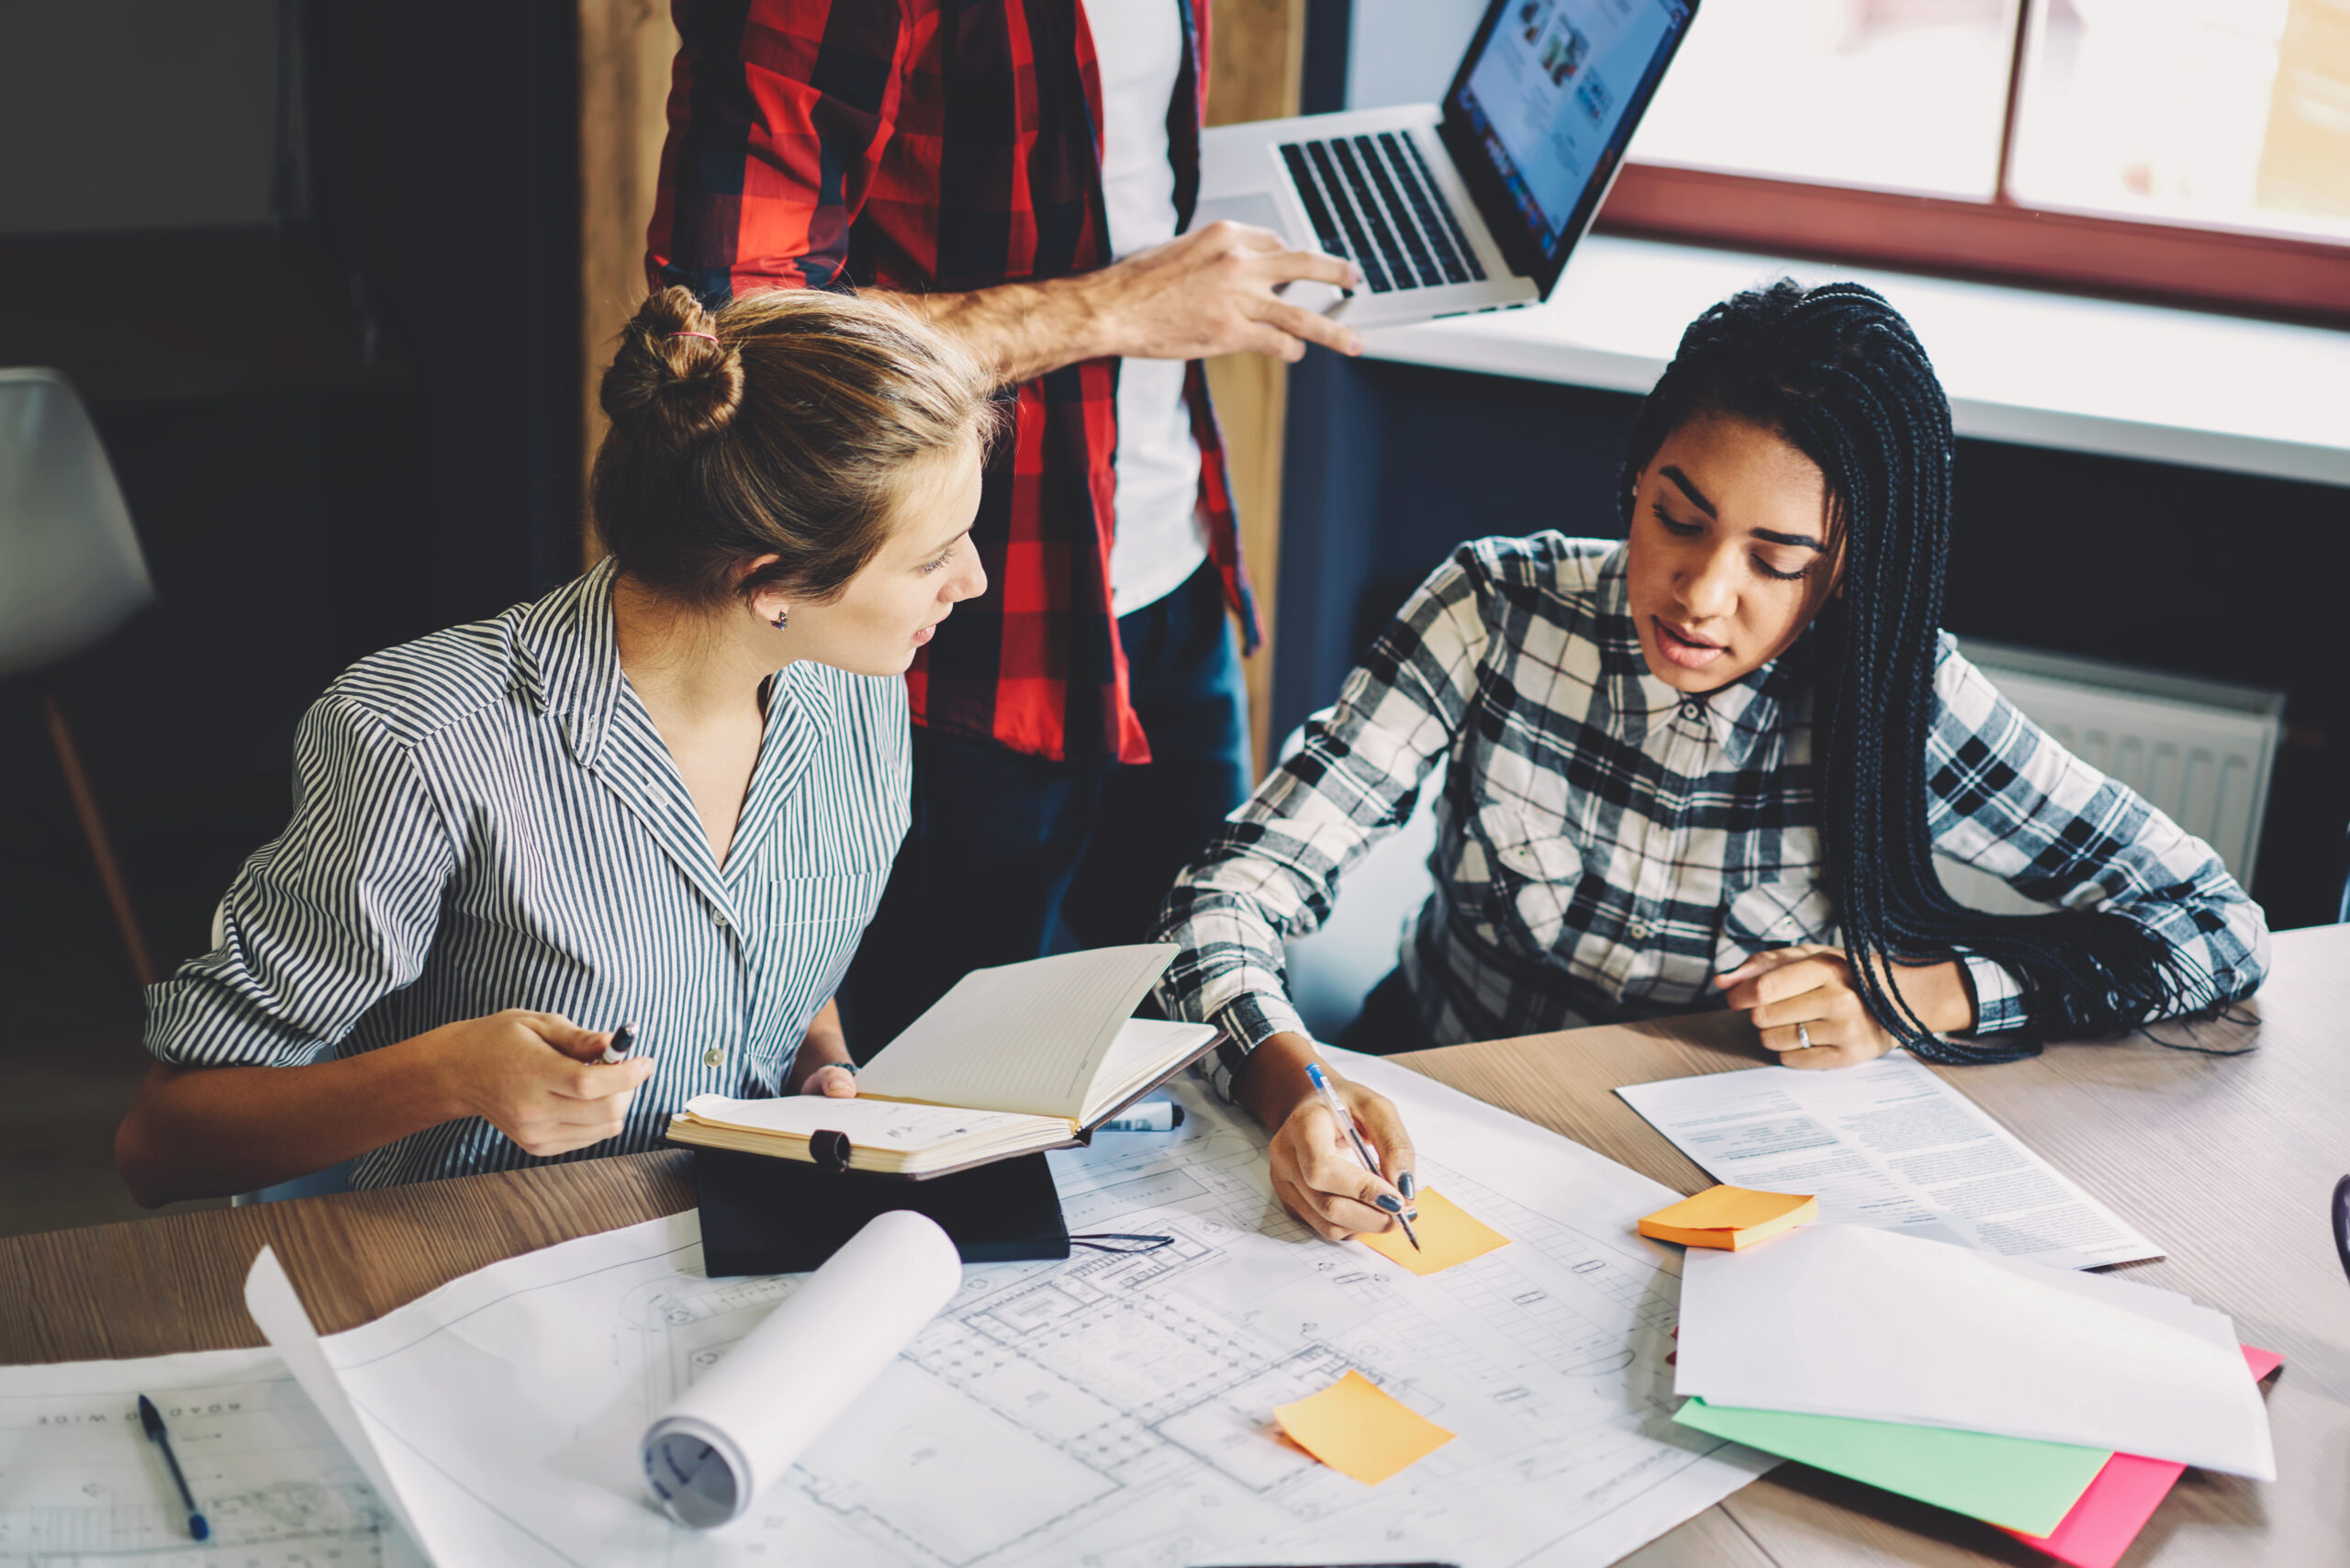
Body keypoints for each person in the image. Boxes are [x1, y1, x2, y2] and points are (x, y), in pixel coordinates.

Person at [1154, 280, 2270, 1242]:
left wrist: (1915, 996)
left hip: (1713, 1194)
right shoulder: (1494, 607)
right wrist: (1286, 1078)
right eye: (1676, 520)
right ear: (1632, 481)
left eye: (1774, 561)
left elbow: (2214, 923)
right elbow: (1228, 892)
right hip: (1443, 1121)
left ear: (1840, 574)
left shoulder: (1899, 698)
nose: (1699, 594)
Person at [114, 286, 990, 1201]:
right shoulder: (423, 738)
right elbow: (163, 1139)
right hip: (463, 1275)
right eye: (933, 555)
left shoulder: (859, 693)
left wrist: (820, 1058)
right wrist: (448, 1075)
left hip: (731, 1250)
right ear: (767, 581)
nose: (970, 579)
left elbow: (762, 942)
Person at [646, 0, 1363, 1050]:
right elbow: (734, 327)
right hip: (955, 628)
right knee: (946, 1080)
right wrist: (1108, 308)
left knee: (1209, 1027)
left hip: (1168, 570)